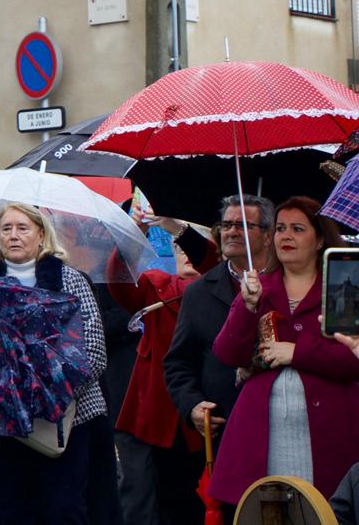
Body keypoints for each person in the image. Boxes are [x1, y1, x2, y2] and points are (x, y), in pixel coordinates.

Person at [208, 196, 359, 505]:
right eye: (280, 228)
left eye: (298, 229)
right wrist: (247, 307)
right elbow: (227, 354)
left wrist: (297, 352)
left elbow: (351, 360)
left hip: (332, 431)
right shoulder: (259, 287)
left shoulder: (344, 286)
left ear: (318, 240)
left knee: (327, 509)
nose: (286, 236)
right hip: (264, 433)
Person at [0, 203, 106, 525]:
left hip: (68, 418)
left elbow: (94, 349)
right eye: (7, 229)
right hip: (5, 421)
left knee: (64, 509)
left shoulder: (70, 280)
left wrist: (48, 389)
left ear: (41, 234)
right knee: (12, 511)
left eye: (23, 228)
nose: (14, 236)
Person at [104, 215, 215, 525]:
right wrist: (136, 232)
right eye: (180, 249)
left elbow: (211, 264)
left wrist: (181, 229)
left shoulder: (224, 288)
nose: (187, 255)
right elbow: (119, 280)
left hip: (211, 405)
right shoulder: (158, 285)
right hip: (162, 413)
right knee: (158, 497)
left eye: (190, 247)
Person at [163, 194, 275, 452]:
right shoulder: (199, 292)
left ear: (268, 235)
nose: (232, 232)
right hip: (228, 432)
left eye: (243, 225)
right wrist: (192, 406)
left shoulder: (288, 285)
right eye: (226, 225)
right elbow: (178, 363)